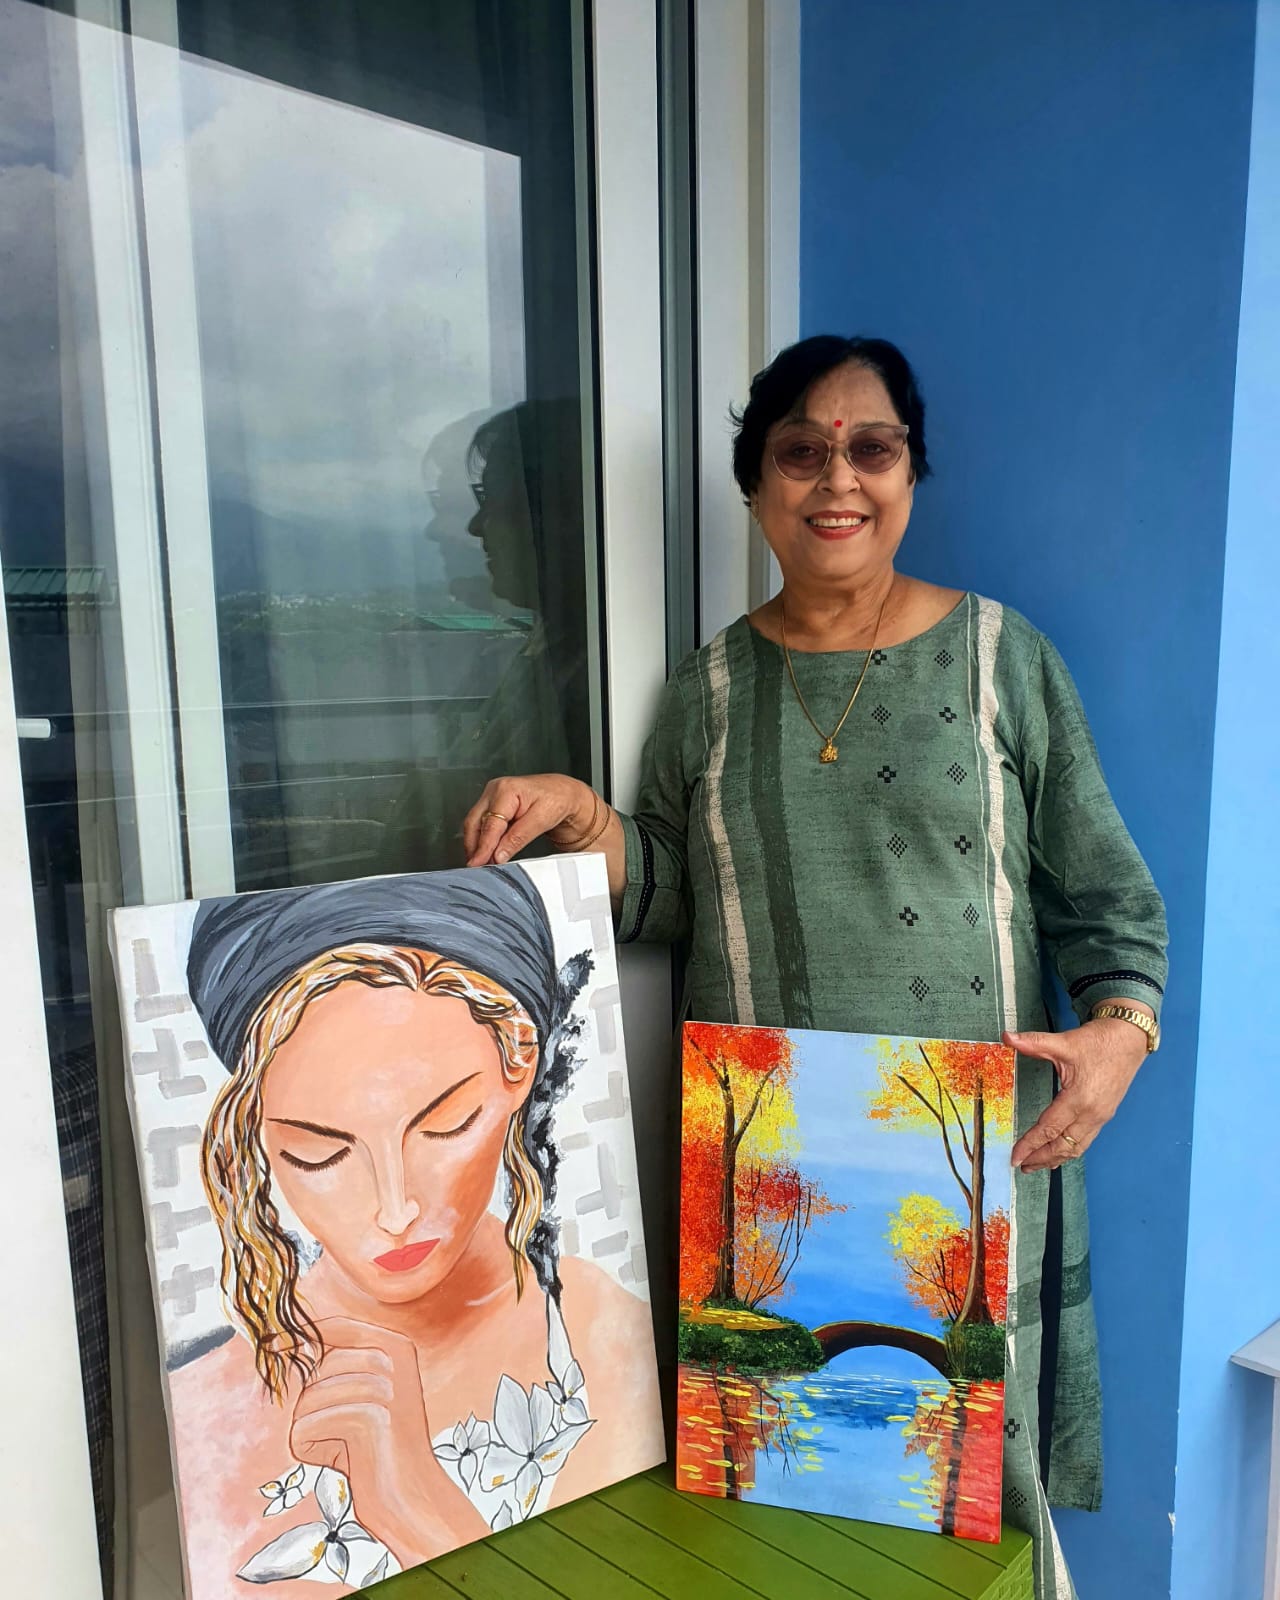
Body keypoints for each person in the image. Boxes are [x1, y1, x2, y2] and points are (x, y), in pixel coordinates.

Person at [463, 334, 1169, 1600]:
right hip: (769, 1180)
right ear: (755, 485)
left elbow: (1102, 892)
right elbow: (677, 895)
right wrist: (591, 823)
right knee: (785, 1514)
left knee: (974, 1511)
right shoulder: (708, 687)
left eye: (870, 448)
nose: (836, 479)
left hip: (967, 1166)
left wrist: (1120, 1028)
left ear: (908, 473)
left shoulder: (1001, 659)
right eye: (799, 451)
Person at [168, 868, 660, 1593]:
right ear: (258, 1136)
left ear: (519, 1061)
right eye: (319, 1153)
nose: (394, 1209)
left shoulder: (607, 1347)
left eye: (445, 1124)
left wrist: (413, 1503)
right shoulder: (203, 1408)